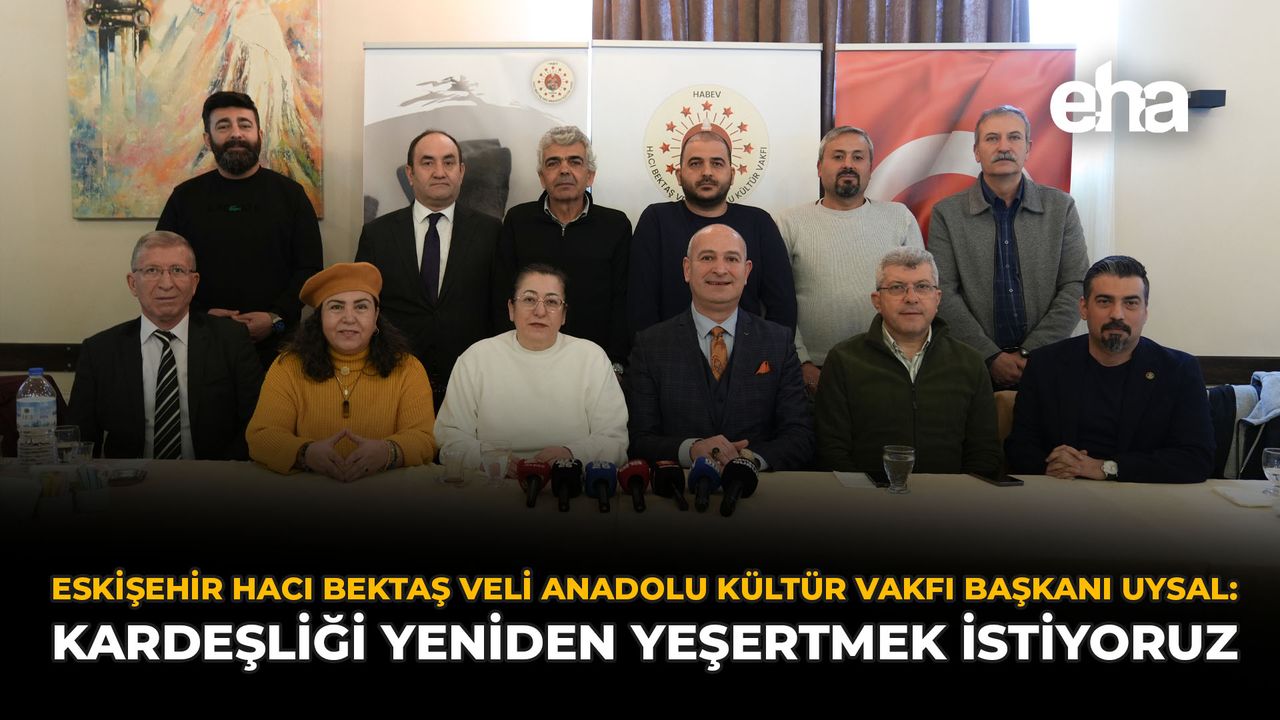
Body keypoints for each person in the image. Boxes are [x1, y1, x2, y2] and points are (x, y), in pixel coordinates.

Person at [1005, 256, 1213, 483]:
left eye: (1130, 303)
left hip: (1142, 496)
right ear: (1084, 308)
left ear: (1145, 312)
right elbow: (1019, 448)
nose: (1117, 314)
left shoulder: (1179, 370)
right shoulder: (1044, 364)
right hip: (1061, 491)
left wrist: (1106, 468)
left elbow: (1197, 459)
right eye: (1104, 301)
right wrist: (1052, 465)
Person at [157, 91, 323, 369]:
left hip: (279, 348)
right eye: (223, 126)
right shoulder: (184, 198)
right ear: (207, 139)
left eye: (244, 125)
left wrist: (275, 318)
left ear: (259, 134)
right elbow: (163, 268)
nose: (236, 133)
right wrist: (200, 316)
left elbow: (310, 269)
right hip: (200, 342)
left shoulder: (291, 196)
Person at [928, 104, 1090, 389]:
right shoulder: (947, 214)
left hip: (1048, 364)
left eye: (1014, 137)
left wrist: (1032, 352)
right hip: (972, 367)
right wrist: (990, 356)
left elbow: (1076, 284)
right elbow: (943, 292)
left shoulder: (1061, 207)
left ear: (1028, 148)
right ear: (976, 151)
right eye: (992, 138)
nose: (1003, 147)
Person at [627, 224, 813, 470]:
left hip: (759, 485)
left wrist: (747, 460)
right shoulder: (650, 345)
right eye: (707, 258)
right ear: (687, 269)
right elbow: (639, 439)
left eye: (732, 259)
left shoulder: (778, 342)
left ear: (747, 272)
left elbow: (800, 436)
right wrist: (691, 450)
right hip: (681, 486)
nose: (720, 269)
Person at [68, 231, 263, 460]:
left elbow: (256, 423)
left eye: (177, 270)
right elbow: (80, 439)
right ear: (132, 283)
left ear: (194, 283)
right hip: (129, 479)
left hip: (214, 477)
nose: (166, 284)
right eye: (152, 271)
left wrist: (218, 476)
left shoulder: (231, 340)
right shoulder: (99, 351)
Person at [814, 247, 1000, 476]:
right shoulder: (844, 360)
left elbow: (985, 452)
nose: (911, 298)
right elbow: (830, 450)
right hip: (865, 496)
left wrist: (958, 495)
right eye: (897, 287)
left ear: (937, 298)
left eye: (922, 286)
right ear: (877, 300)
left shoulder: (970, 362)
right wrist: (864, 494)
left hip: (951, 495)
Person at [355, 129, 503, 412]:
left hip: (472, 382)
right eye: (427, 162)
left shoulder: (491, 232)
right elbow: (364, 307)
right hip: (394, 378)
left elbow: (499, 309)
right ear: (410, 174)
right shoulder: (377, 234)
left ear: (461, 172)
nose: (439, 172)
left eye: (448, 162)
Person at [246, 262, 436, 480]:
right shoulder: (287, 367)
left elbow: (425, 439)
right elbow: (261, 436)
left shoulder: (408, 368)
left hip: (385, 494)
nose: (349, 318)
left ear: (376, 316)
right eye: (336, 307)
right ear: (319, 317)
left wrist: (389, 452)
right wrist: (305, 453)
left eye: (361, 307)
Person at [434, 264, 629, 473]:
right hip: (492, 481)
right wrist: (489, 459)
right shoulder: (475, 359)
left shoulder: (592, 358)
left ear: (564, 314)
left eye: (552, 302)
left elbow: (614, 441)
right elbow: (449, 439)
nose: (540, 311)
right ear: (511, 309)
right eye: (529, 299)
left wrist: (572, 454)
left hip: (566, 479)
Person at [775, 126, 923, 395]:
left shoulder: (899, 218)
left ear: (870, 168)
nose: (848, 164)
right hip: (814, 371)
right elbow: (777, 301)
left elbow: (921, 294)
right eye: (838, 156)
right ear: (819, 167)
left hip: (890, 367)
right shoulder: (788, 223)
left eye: (857, 157)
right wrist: (801, 361)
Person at [627, 125, 797, 336]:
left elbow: (783, 307)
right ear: (679, 175)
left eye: (717, 163)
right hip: (667, 351)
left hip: (749, 352)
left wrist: (770, 352)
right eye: (695, 163)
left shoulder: (759, 223)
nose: (706, 172)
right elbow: (640, 306)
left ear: (732, 174)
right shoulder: (656, 221)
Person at [494, 126, 632, 369]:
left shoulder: (615, 225)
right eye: (553, 163)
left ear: (590, 175)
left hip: (595, 363)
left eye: (575, 162)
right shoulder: (517, 221)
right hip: (525, 359)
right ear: (542, 177)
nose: (564, 170)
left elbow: (623, 302)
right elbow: (502, 294)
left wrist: (616, 363)